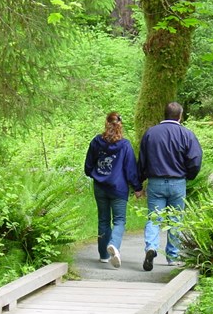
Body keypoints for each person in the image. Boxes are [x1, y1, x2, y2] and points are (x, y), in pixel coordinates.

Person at [138, 102, 203, 271]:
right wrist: (189, 175)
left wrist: (139, 181)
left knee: (154, 218)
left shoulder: (151, 133)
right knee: (175, 219)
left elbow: (142, 160)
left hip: (155, 182)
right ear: (180, 116)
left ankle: (151, 248)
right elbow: (195, 159)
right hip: (177, 182)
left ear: (164, 114)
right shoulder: (186, 134)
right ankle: (172, 256)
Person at [84, 112, 143, 269]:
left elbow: (88, 166)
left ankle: (103, 255)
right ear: (120, 125)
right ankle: (114, 245)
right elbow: (130, 170)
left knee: (103, 220)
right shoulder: (125, 145)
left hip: (100, 187)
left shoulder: (96, 142)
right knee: (119, 220)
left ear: (106, 123)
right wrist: (137, 188)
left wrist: (97, 175)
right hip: (118, 188)